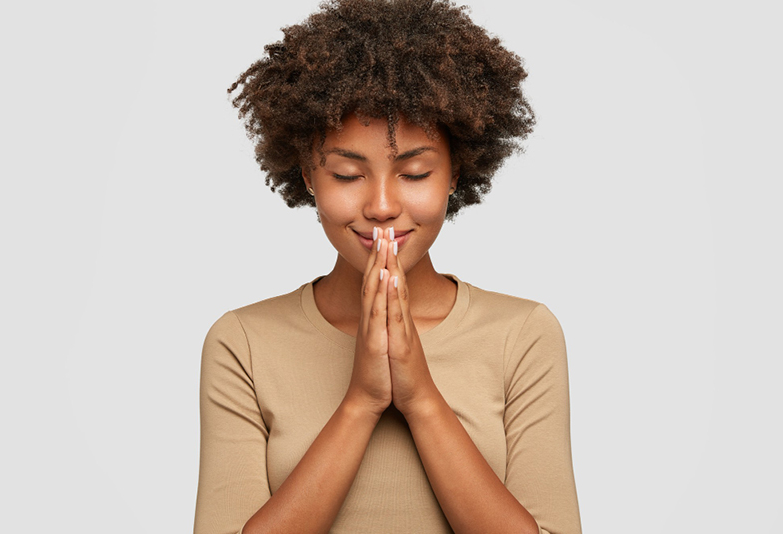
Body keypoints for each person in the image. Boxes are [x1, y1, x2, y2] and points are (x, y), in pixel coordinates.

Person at [193, 1, 581, 532]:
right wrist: (362, 402)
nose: (380, 204)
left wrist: (420, 397)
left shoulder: (523, 335)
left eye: (415, 172)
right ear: (308, 175)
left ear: (454, 172)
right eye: (348, 175)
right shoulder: (243, 342)